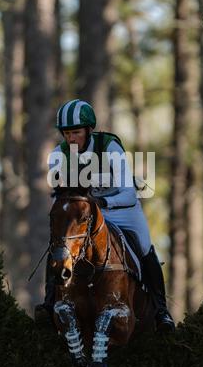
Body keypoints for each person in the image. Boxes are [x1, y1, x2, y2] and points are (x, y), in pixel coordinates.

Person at [35, 99, 175, 333]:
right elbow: (58, 198)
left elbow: (129, 194)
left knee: (144, 247)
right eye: (67, 133)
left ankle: (161, 310)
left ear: (89, 130)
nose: (71, 139)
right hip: (84, 213)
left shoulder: (110, 148)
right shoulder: (58, 155)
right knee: (59, 248)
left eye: (76, 132)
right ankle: (50, 305)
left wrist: (101, 202)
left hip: (121, 209)